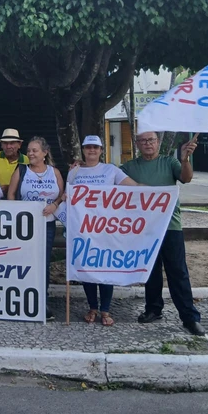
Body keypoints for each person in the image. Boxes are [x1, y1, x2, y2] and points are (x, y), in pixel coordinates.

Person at [121, 131, 205, 336]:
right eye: (143, 140)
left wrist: (184, 159)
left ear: (158, 142)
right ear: (137, 144)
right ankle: (153, 309)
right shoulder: (129, 167)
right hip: (144, 227)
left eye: (151, 140)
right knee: (150, 270)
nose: (147, 143)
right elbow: (108, 181)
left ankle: (189, 317)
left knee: (178, 271)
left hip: (170, 226)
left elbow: (186, 178)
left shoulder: (170, 163)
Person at [67, 135, 138, 326]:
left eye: (95, 147)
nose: (92, 150)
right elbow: (68, 197)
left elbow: (136, 189)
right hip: (83, 229)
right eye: (88, 147)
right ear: (83, 149)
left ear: (101, 150)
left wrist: (162, 194)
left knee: (106, 267)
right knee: (87, 268)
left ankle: (105, 309)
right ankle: (92, 307)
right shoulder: (74, 172)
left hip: (106, 228)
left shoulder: (111, 170)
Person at [8, 136, 64, 321]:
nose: (30, 154)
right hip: (24, 226)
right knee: (23, 261)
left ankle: (41, 300)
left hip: (46, 225)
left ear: (45, 153)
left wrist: (55, 205)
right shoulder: (21, 170)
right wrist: (16, 214)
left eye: (35, 150)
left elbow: (61, 195)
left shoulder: (54, 172)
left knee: (43, 262)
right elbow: (11, 194)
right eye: (29, 150)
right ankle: (22, 298)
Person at [0, 128, 29, 197]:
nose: (8, 146)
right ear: (1, 145)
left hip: (18, 202)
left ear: (19, 145)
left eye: (12, 143)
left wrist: (10, 188)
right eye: (5, 143)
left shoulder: (27, 160)